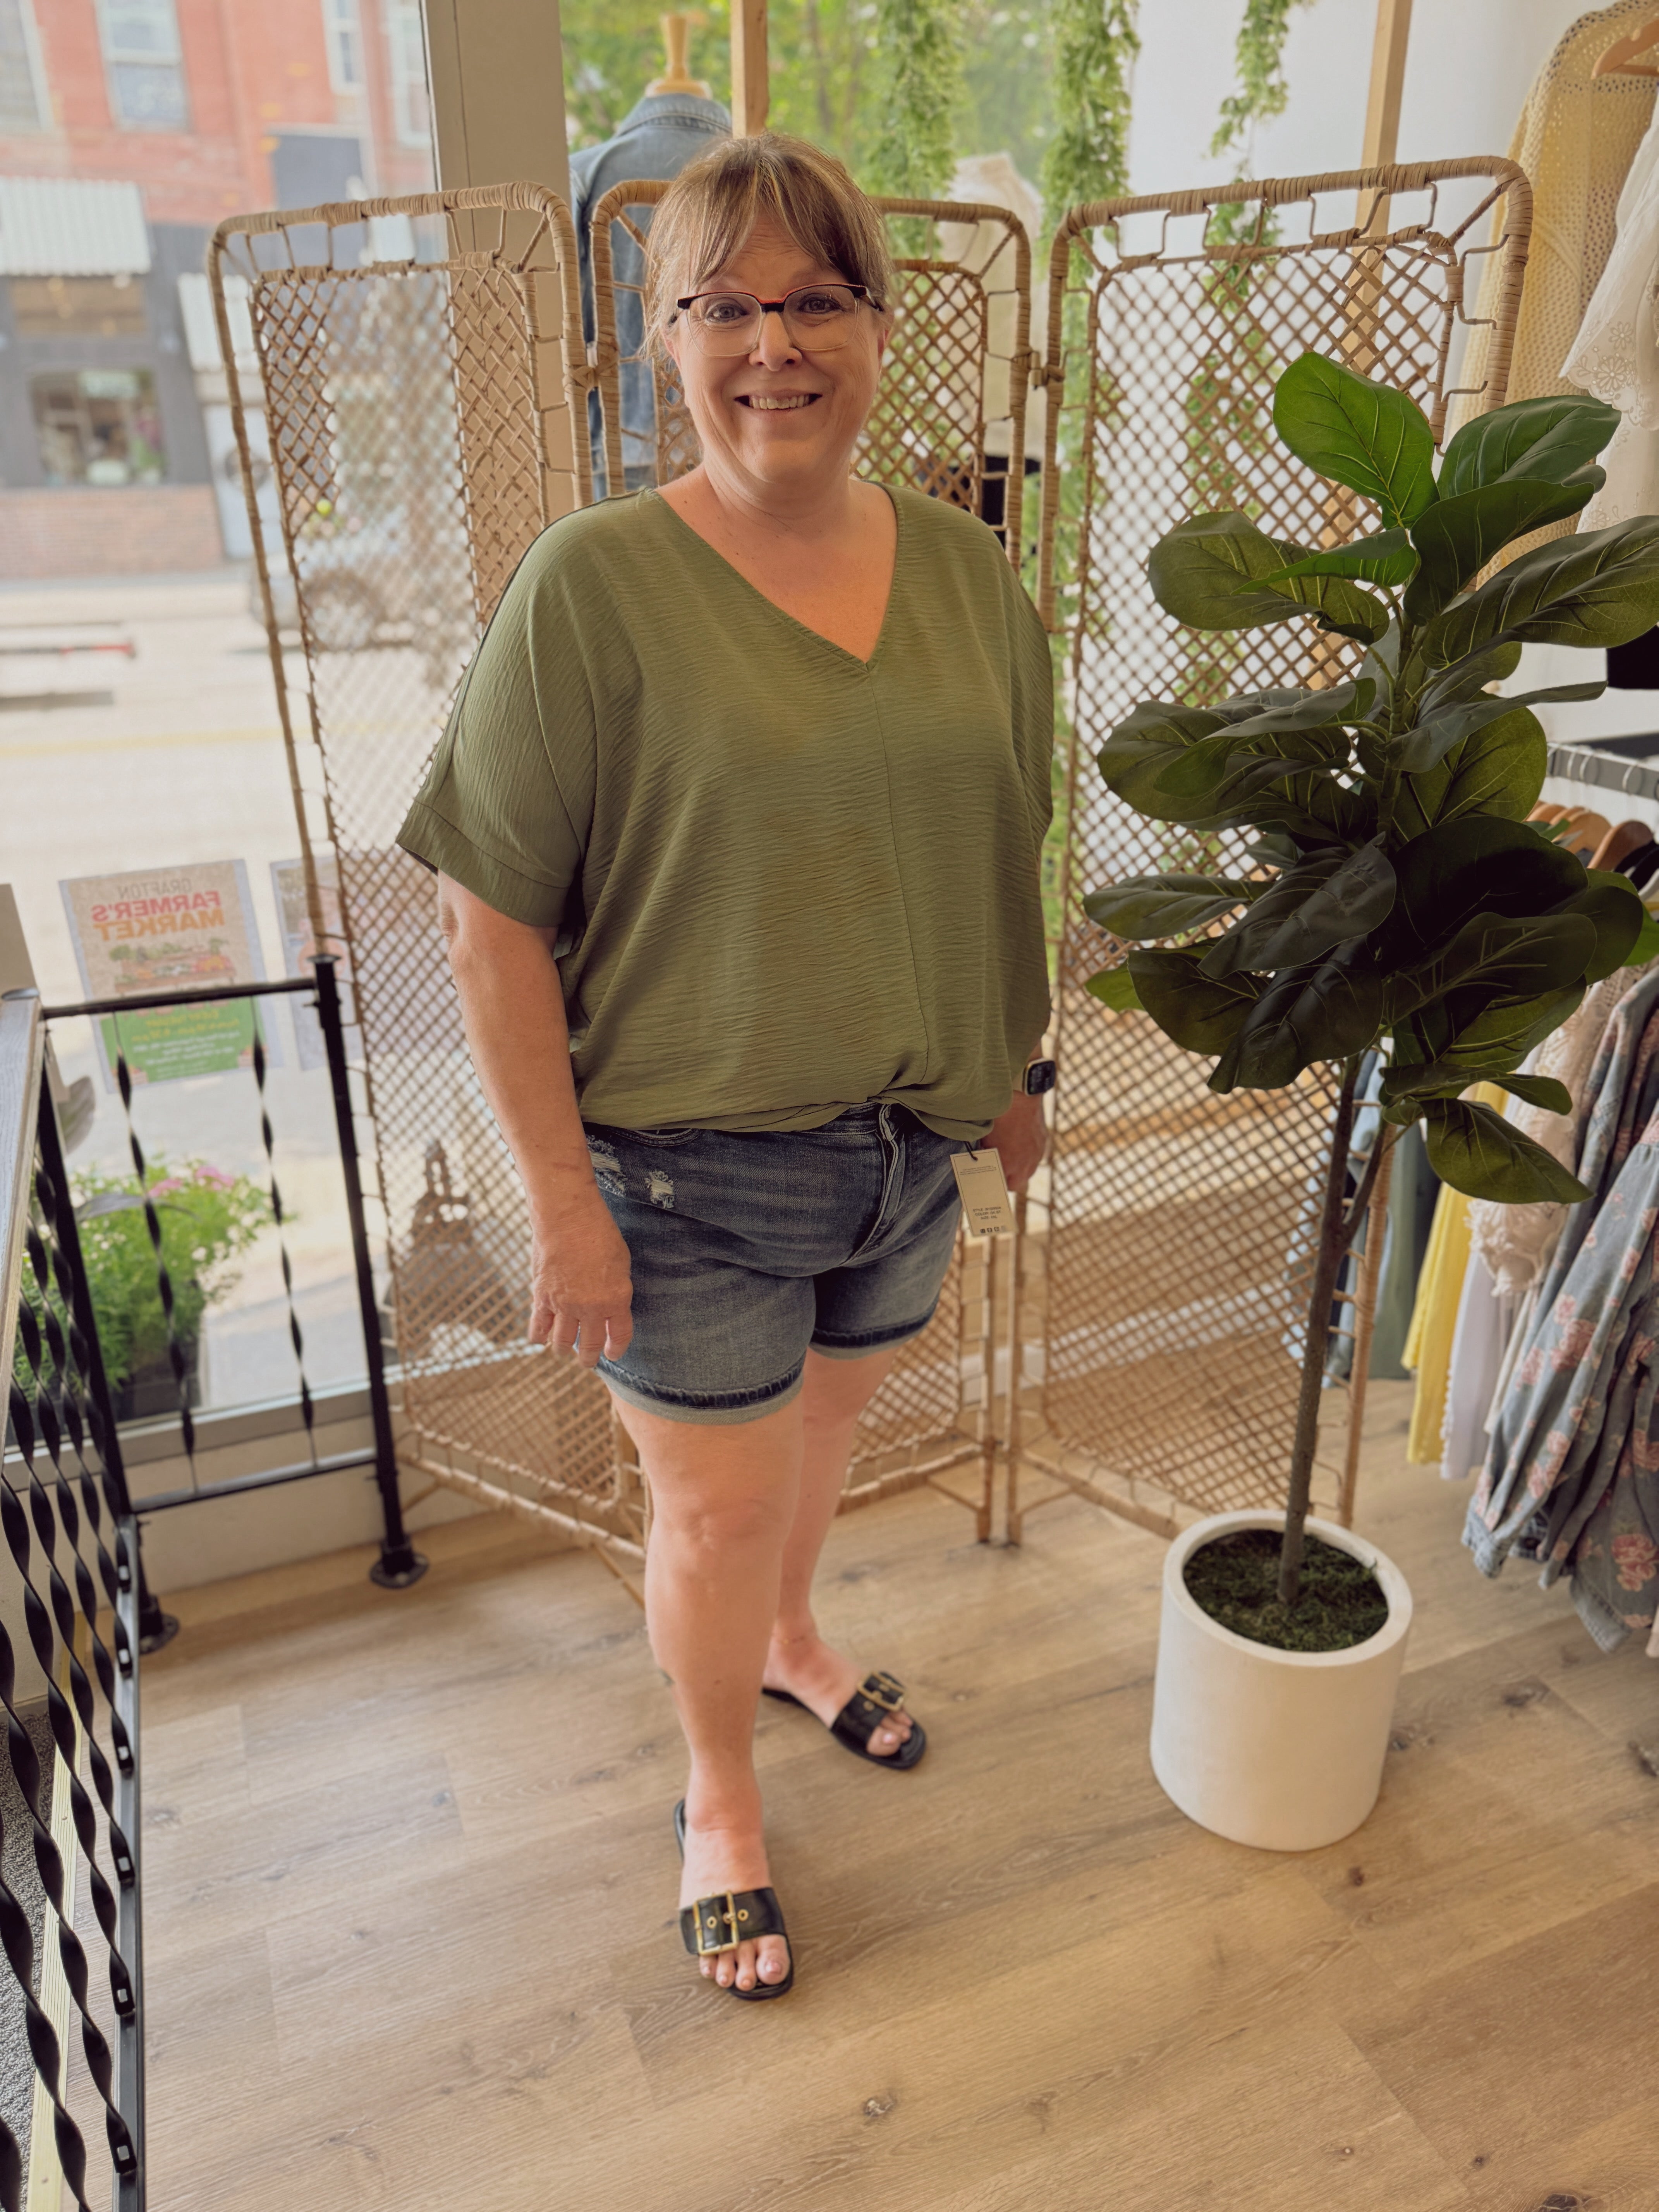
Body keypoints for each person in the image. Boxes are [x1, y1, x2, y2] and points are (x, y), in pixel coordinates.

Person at [397, 131, 1054, 2003]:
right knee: (710, 1504)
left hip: (906, 1151)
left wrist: (1016, 1067)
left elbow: (1005, 842)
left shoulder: (965, 569)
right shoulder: (593, 587)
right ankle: (720, 1801)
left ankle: (788, 1640)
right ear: (662, 342)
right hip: (686, 1176)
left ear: (879, 324)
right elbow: (487, 922)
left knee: (820, 1446)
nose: (775, 342)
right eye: (725, 306)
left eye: (816, 298)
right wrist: (560, 1202)